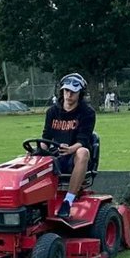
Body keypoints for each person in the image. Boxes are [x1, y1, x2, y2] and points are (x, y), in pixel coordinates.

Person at [43, 72, 96, 219]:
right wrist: (38, 152)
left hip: (74, 157)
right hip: (56, 155)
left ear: (80, 93)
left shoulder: (87, 113)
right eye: (66, 91)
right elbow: (46, 137)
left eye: (73, 92)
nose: (69, 95)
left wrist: (70, 149)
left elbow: (83, 140)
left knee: (83, 152)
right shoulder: (52, 112)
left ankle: (68, 200)